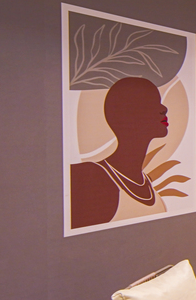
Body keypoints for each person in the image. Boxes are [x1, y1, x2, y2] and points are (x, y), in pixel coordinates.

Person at [71, 76, 168, 228]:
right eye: (148, 103)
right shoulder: (93, 177)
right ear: (124, 115)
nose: (164, 108)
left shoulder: (145, 181)